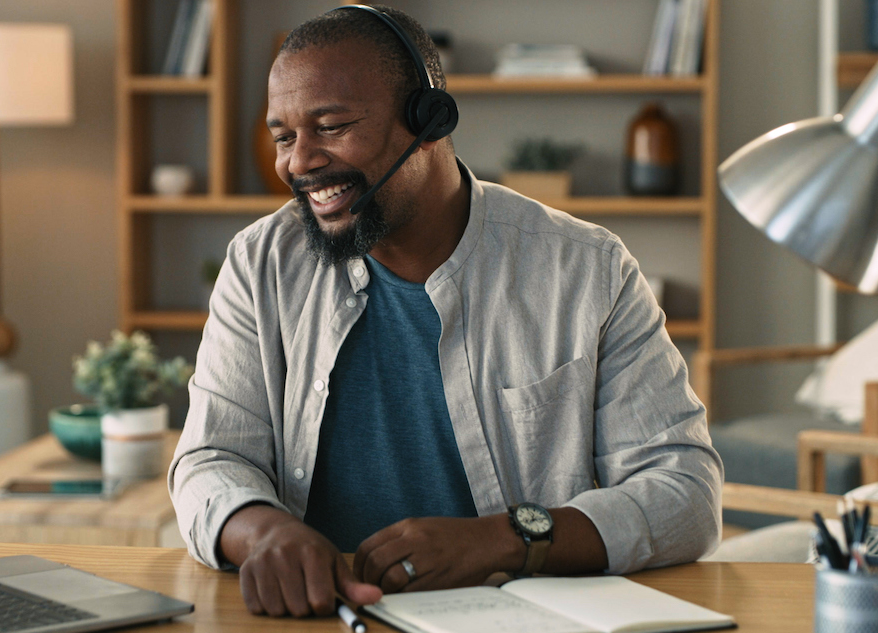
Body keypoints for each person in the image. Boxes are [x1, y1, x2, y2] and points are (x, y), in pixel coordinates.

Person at [168, 4, 723, 619]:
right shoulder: (260, 264)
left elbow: (684, 491)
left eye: (330, 126)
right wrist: (263, 530)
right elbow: (211, 459)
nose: (299, 162)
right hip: (322, 617)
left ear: (429, 120)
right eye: (284, 137)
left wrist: (504, 539)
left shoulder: (585, 269)